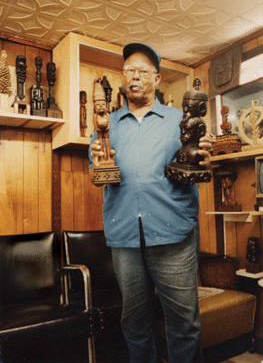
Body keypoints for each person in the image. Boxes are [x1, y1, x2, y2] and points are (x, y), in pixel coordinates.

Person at [89, 42, 213, 363]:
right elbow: (97, 173)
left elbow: (196, 158)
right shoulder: (107, 125)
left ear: (156, 79)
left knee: (183, 324)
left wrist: (202, 154)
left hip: (173, 234)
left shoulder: (178, 119)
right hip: (124, 236)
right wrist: (99, 162)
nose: (135, 76)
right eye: (130, 70)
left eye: (143, 71)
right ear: (122, 77)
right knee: (134, 323)